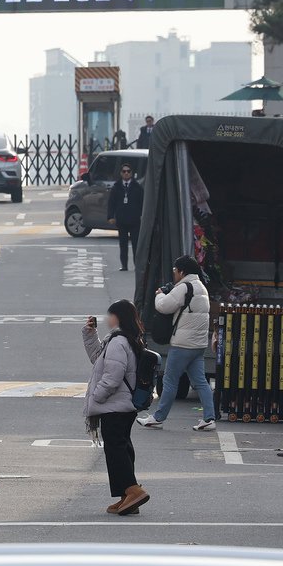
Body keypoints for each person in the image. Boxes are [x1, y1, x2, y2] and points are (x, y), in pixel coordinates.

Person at [83, 300, 149, 516]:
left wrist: (97, 396)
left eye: (110, 315)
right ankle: (127, 497)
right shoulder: (121, 339)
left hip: (115, 405)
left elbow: (112, 377)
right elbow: (97, 359)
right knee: (121, 447)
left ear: (118, 317)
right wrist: (90, 333)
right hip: (121, 405)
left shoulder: (119, 342)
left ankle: (132, 490)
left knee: (116, 449)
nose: (107, 318)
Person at [139, 255, 216, 431]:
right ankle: (209, 418)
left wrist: (159, 295)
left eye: (175, 271)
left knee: (170, 381)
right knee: (201, 382)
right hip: (198, 345)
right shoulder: (201, 287)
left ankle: (158, 418)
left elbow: (164, 306)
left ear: (182, 271)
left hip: (183, 344)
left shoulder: (184, 287)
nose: (174, 274)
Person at [108, 162, 143, 271]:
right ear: (121, 173)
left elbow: (143, 202)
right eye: (124, 171)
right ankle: (124, 265)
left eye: (128, 171)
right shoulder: (116, 187)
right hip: (122, 220)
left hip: (134, 220)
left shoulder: (137, 187)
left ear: (132, 173)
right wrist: (111, 216)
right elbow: (111, 203)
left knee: (136, 244)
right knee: (123, 244)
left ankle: (137, 265)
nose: (126, 173)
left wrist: (142, 215)